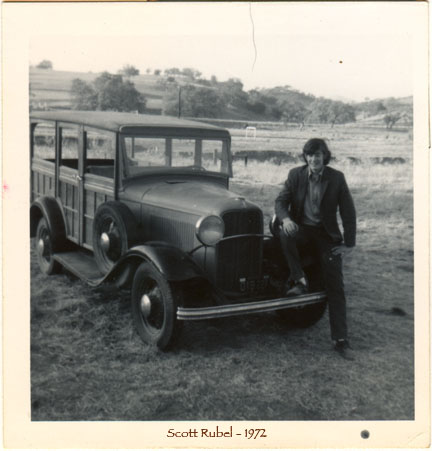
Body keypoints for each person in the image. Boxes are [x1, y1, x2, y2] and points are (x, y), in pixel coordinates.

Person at [275, 138, 356, 359]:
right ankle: (299, 280)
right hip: (302, 230)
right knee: (284, 233)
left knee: (335, 287)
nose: (314, 159)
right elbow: (280, 202)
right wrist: (286, 219)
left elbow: (348, 211)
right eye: (310, 155)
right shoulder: (295, 175)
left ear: (325, 157)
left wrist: (348, 244)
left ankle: (341, 340)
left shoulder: (337, 178)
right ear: (306, 157)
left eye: (318, 155)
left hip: (325, 236)